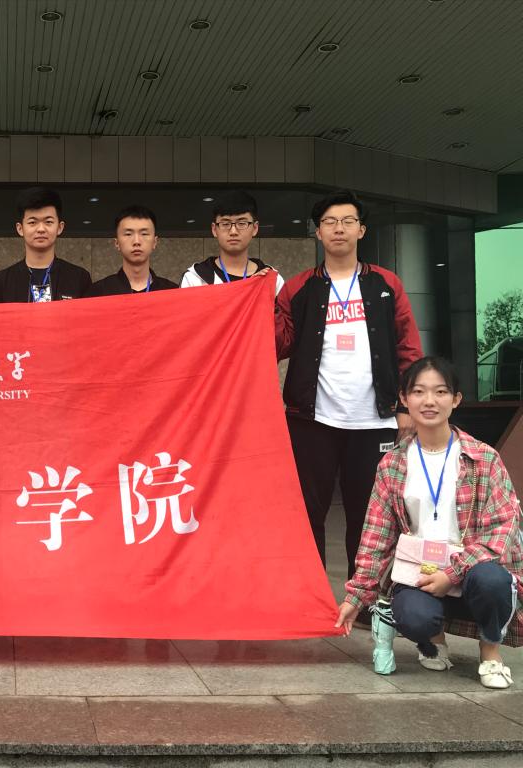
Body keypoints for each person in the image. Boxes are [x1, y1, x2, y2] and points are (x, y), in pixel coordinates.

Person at [336, 357, 521, 689]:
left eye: (440, 392)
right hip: (421, 572)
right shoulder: (392, 464)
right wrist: (356, 596)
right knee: (411, 614)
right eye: (419, 392)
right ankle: (433, 640)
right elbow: (377, 536)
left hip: (473, 571)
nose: (429, 401)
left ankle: (490, 652)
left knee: (493, 581)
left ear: (456, 399)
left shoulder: (483, 458)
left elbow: (504, 527)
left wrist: (453, 573)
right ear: (404, 399)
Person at [276, 189, 422, 579]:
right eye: (329, 222)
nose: (338, 229)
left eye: (347, 221)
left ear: (361, 230)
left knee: (368, 515)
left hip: (374, 420)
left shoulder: (386, 284)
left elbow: (408, 347)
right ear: (318, 232)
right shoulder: (298, 288)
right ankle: (312, 597)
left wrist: (406, 406)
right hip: (312, 419)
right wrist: (256, 299)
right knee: (309, 512)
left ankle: (363, 597)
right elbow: (279, 343)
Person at [0, 186, 91, 303]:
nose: (41, 229)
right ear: (20, 229)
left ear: (60, 227)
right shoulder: (0, 282)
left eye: (48, 222)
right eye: (32, 222)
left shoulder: (79, 278)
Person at [180, 191, 284, 295]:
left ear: (255, 228)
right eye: (225, 224)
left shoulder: (272, 280)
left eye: (242, 223)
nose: (233, 231)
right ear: (214, 229)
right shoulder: (195, 279)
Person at [86, 206, 177, 296]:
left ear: (154, 242)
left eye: (144, 234)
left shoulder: (172, 292)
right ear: (117, 243)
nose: (136, 241)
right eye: (128, 234)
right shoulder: (98, 292)